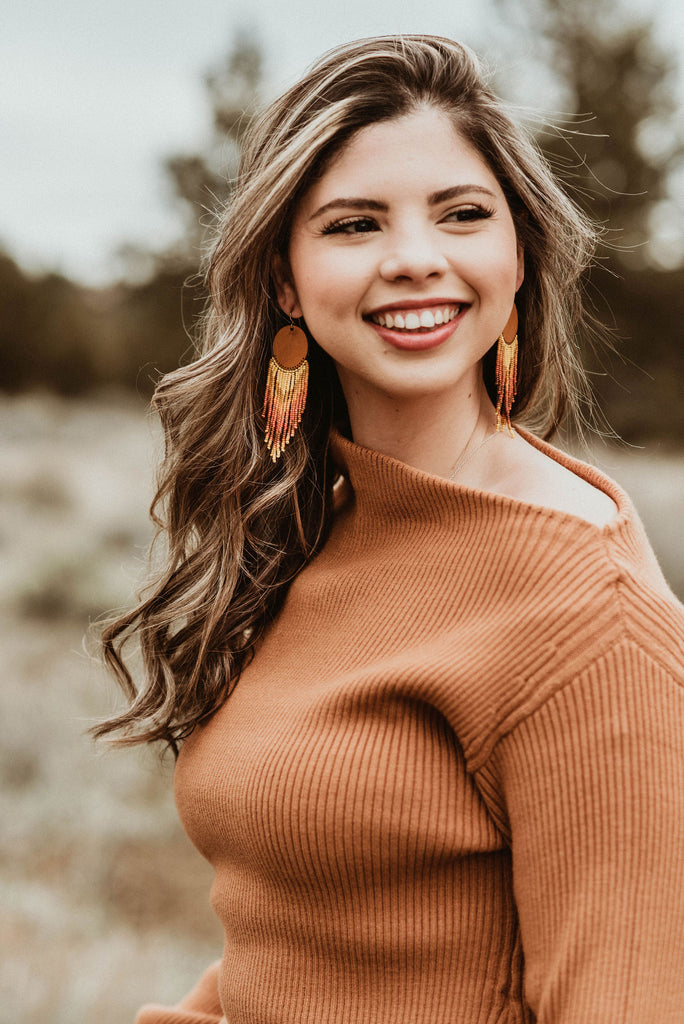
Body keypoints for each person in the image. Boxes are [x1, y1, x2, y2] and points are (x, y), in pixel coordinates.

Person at [96, 35, 684, 1023]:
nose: (416, 260)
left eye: (462, 214)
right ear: (283, 280)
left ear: (519, 254)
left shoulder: (591, 616)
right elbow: (295, 939)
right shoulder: (316, 522)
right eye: (354, 224)